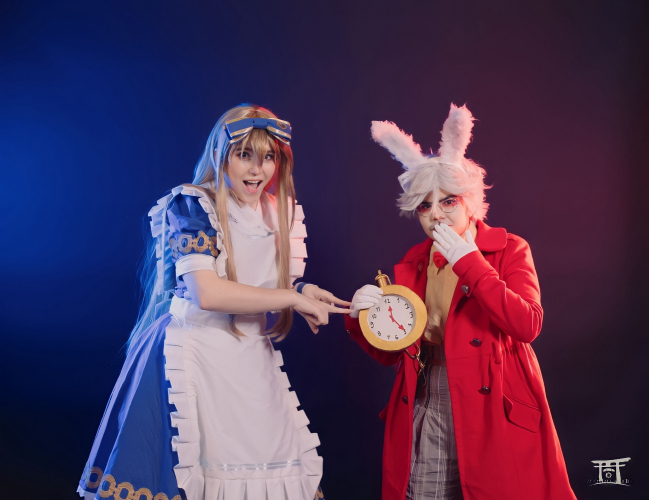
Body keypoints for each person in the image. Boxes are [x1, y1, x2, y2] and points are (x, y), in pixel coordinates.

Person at [77, 104, 349, 500]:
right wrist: (291, 297)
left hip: (250, 357)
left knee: (266, 466)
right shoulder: (192, 205)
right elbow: (207, 292)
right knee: (191, 469)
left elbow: (268, 281)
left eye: (267, 157)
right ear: (220, 154)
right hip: (192, 352)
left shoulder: (279, 210)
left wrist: (302, 290)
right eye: (244, 155)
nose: (257, 170)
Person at [345, 104, 576, 500]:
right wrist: (362, 317)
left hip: (493, 402)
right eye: (425, 205)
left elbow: (527, 325)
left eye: (448, 201)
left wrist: (471, 263)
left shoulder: (509, 249)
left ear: (470, 200)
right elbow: (393, 351)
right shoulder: (416, 260)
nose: (435, 215)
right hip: (429, 394)